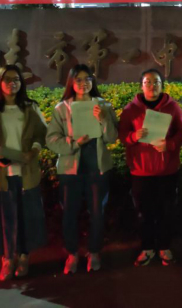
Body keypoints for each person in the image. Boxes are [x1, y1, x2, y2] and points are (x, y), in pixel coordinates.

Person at [0, 64, 48, 281]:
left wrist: (35, 150)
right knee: (4, 219)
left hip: (26, 172)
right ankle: (7, 259)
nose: (13, 83)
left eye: (17, 80)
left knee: (26, 217)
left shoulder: (30, 108)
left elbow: (42, 134)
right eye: (8, 79)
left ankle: (24, 256)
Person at [46, 64, 118, 274]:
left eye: (88, 79)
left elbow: (112, 137)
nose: (84, 83)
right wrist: (74, 143)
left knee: (97, 213)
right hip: (71, 169)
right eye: (78, 79)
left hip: (98, 167)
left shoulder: (104, 105)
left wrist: (104, 119)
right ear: (71, 82)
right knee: (69, 213)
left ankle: (94, 252)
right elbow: (51, 139)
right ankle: (72, 253)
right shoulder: (62, 108)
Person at [119, 69, 182, 266]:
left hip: (167, 170)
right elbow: (122, 134)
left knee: (166, 210)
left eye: (156, 82)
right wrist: (133, 136)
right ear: (141, 86)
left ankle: (165, 247)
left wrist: (170, 144)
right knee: (144, 212)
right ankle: (147, 248)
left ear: (161, 85)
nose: (152, 86)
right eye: (147, 82)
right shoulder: (131, 109)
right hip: (141, 170)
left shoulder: (172, 107)